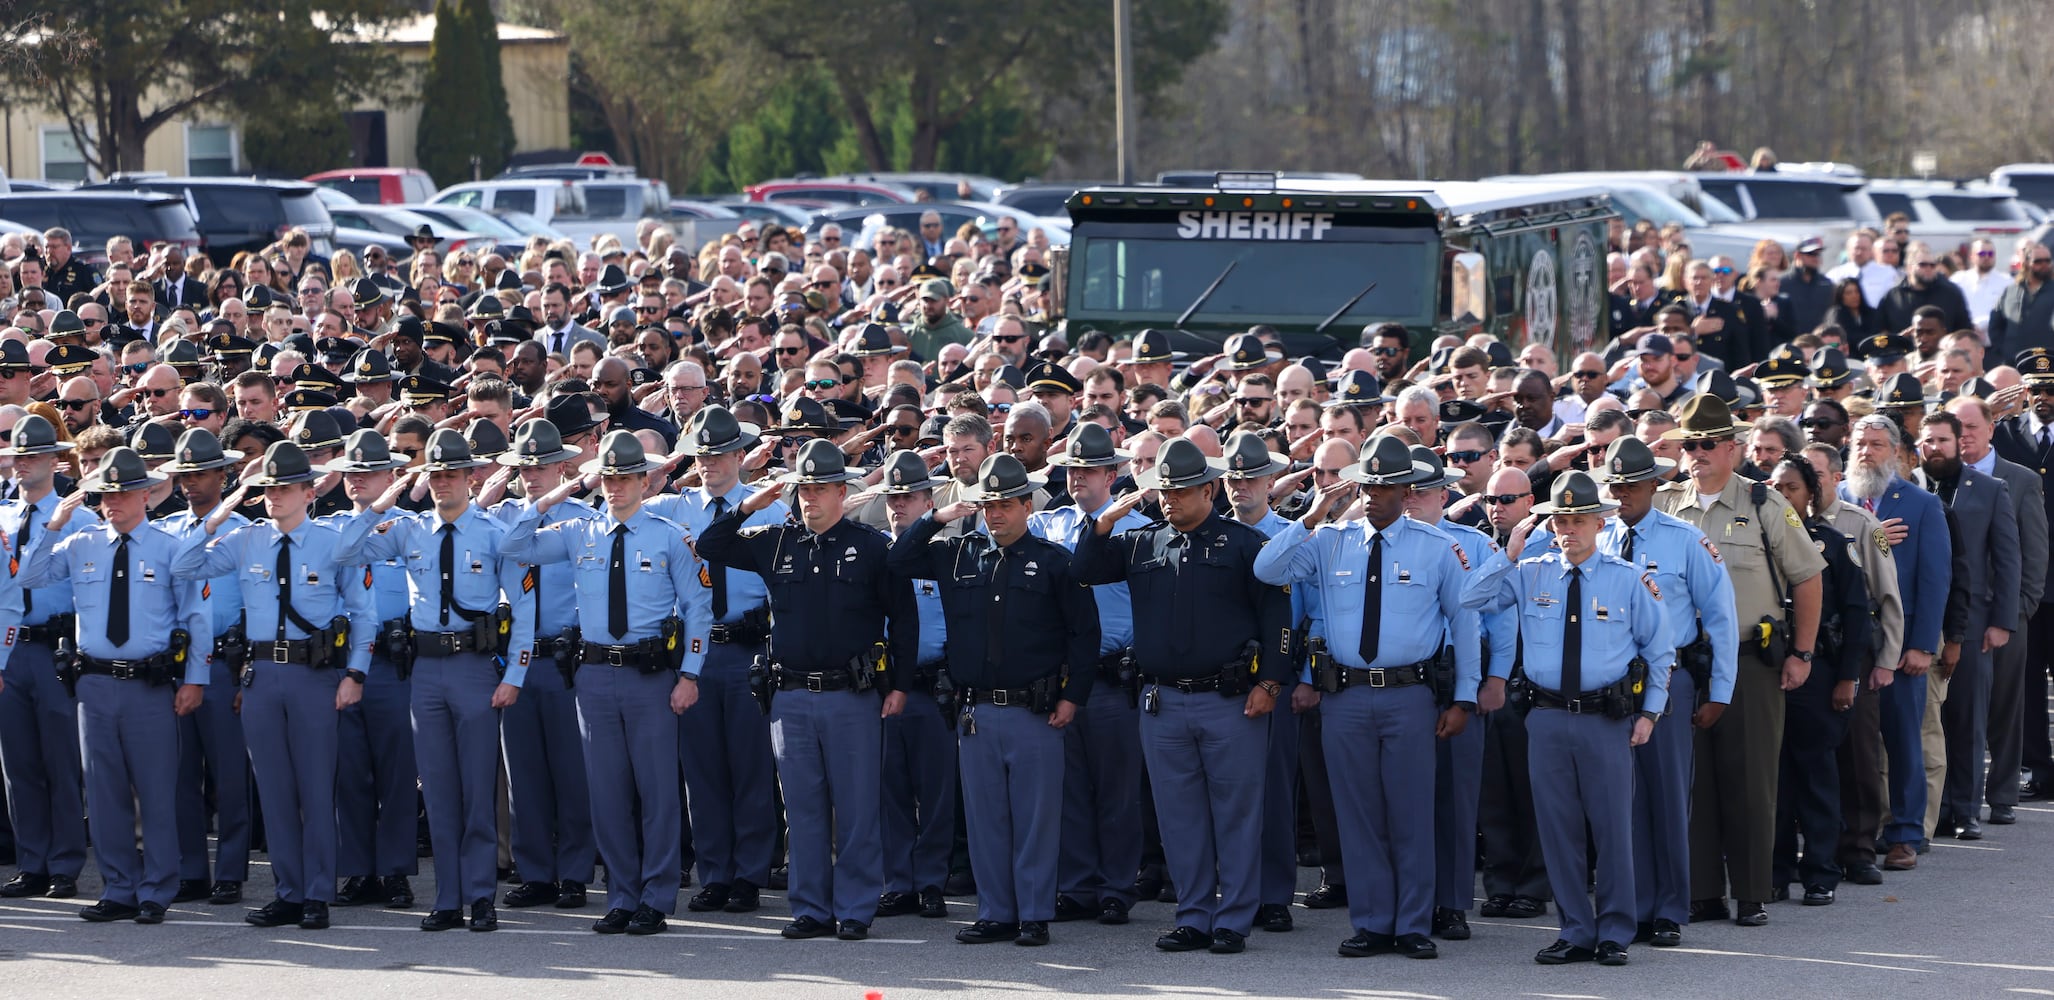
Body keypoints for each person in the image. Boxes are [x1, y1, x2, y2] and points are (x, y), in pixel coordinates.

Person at [1255, 433, 1480, 960]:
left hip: (1409, 694)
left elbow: (1465, 624)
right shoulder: (1331, 540)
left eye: (1386, 486)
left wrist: (1463, 697)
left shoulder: (1435, 549)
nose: (1375, 494)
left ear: (1407, 490)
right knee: (1357, 813)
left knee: (1410, 811)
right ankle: (1373, 921)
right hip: (1346, 697)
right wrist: (1313, 514)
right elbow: (1267, 569)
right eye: (1369, 484)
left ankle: (1413, 923)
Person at [1072, 437, 1292, 955]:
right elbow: (1083, 570)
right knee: (1179, 817)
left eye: (1183, 490)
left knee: (1236, 814)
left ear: (1210, 489)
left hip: (1230, 700)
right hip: (1163, 702)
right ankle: (1194, 915)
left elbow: (1278, 618)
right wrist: (1102, 524)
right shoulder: (1142, 542)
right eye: (1164, 491)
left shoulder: (1245, 544)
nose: (1170, 499)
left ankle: (1233, 920)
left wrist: (1271, 682)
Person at [696, 438, 916, 942]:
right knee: (804, 808)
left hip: (852, 694)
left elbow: (903, 622)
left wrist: (900, 686)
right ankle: (812, 908)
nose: (808, 498)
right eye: (802, 489)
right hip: (790, 696)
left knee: (857, 809)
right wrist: (752, 502)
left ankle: (856, 908)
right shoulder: (778, 541)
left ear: (843, 491)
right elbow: (712, 545)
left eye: (819, 489)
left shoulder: (870, 546)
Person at [501, 429, 711, 935]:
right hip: (593, 676)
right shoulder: (580, 529)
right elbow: (515, 544)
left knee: (657, 792)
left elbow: (699, 609)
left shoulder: (668, 536)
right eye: (608, 478)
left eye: (625, 478)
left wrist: (690, 674)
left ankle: (656, 897)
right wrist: (561, 491)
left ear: (644, 480)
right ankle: (620, 895)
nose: (616, 488)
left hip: (650, 677)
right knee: (607, 792)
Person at [889, 453, 1099, 947]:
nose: (996, 513)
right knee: (986, 820)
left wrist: (1073, 697)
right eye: (987, 504)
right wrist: (939, 516)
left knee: (1034, 819)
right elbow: (898, 559)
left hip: (1035, 710)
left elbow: (1084, 636)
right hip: (975, 710)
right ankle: (996, 912)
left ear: (1027, 504)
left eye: (1005, 503)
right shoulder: (958, 553)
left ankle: (1032, 914)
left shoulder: (1054, 562)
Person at [1464, 470, 1673, 967]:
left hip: (1606, 719)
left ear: (1600, 523)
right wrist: (1508, 552)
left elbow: (1660, 650)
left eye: (1579, 519)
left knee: (1612, 830)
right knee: (1558, 831)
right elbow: (1470, 599)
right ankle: (1576, 929)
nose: (1569, 530)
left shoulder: (1627, 579)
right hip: (1549, 717)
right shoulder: (1530, 570)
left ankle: (1615, 930)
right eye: (1560, 520)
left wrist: (1650, 713)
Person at [334, 428, 535, 932]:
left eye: (451, 474)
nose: (443, 483)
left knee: (475, 788)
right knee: (440, 791)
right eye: (435, 474)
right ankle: (448, 897)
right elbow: (345, 552)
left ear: (471, 476)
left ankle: (482, 895)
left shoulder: (493, 533)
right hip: (425, 672)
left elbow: (525, 607)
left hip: (473, 668)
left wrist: (515, 674)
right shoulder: (409, 529)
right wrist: (383, 502)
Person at [173, 440, 375, 930]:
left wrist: (355, 674)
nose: (275, 496)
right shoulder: (247, 540)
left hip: (314, 675)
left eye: (285, 487)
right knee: (276, 789)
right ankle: (288, 891)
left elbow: (363, 612)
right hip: (262, 675)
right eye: (268, 488)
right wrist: (221, 512)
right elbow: (183, 564)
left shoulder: (333, 541)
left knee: (314, 787)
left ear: (309, 491)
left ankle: (317, 894)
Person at [22, 447, 212, 924]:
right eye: (106, 494)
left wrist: (196, 680)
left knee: (155, 792)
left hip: (149, 684)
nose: (114, 503)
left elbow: (195, 616)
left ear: (145, 494)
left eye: (124, 493)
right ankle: (118, 887)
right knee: (103, 793)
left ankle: (156, 889)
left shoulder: (169, 546)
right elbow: (29, 574)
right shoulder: (81, 542)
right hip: (95, 683)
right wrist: (52, 527)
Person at [1656, 393, 1824, 927]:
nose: (1697, 454)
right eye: (1690, 445)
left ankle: (1751, 892)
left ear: (1732, 448)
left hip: (1752, 658)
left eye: (1708, 444)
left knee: (1751, 780)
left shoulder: (1762, 502)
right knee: (1694, 781)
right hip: (1682, 662)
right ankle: (1703, 891)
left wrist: (1802, 651)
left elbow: (1808, 576)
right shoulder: (1664, 504)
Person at [1590, 436, 1737, 948]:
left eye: (1632, 482)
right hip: (1607, 687)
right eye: (1614, 483)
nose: (1623, 492)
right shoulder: (1597, 538)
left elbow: (1720, 616)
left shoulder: (1685, 540)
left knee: (1667, 796)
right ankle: (1625, 905)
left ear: (1655, 484)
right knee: (1617, 802)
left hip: (1667, 681)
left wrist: (1720, 690)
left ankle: (1670, 907)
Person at [646, 407, 787, 915]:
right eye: (701, 455)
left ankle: (750, 874)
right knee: (701, 769)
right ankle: (715, 873)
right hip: (695, 653)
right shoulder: (674, 509)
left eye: (718, 454)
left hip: (749, 649)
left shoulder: (770, 510)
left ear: (738, 456)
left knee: (750, 767)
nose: (709, 463)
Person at [1029, 423, 1149, 927]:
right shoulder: (1048, 524)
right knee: (1069, 787)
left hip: (1112, 673)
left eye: (1090, 469)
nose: (1079, 477)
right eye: (1073, 468)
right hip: (1062, 677)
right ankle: (1076, 885)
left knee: (1117, 789)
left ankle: (1117, 887)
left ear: (1112, 473)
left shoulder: (1138, 527)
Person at [484, 419, 598, 912]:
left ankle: (574, 873)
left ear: (563, 466)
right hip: (514, 660)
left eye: (543, 465)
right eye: (525, 466)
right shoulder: (503, 517)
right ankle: (535, 873)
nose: (533, 474)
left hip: (561, 657)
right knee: (523, 773)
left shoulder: (582, 517)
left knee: (572, 772)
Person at [1840, 414, 1950, 871]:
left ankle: (1906, 834)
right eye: (1860, 444)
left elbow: (1935, 578)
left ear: (1898, 452)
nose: (1867, 451)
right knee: (1853, 745)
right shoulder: (1837, 499)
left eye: (1877, 445)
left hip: (1901, 644)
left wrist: (1924, 645)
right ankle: (1856, 832)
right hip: (1846, 645)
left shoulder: (1921, 504)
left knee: (1904, 740)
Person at [1764, 456, 1871, 906]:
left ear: (1811, 495)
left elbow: (1856, 616)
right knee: (1775, 780)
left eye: (1791, 487)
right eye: (1775, 487)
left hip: (1820, 672)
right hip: (1767, 670)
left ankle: (1820, 871)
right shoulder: (1758, 541)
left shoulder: (1831, 543)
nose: (1782, 494)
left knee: (1816, 777)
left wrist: (1848, 678)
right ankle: (1776, 870)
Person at [321, 430, 421, 910]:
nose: (359, 482)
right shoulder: (335, 527)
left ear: (392, 477)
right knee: (350, 771)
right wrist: (370, 514)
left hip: (394, 660)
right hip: (344, 663)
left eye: (370, 474)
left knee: (397, 772)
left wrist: (383, 512)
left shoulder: (411, 527)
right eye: (352, 473)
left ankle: (396, 870)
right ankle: (358, 869)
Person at [156, 428, 255, 909]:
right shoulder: (168, 529)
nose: (191, 483)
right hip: (174, 665)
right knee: (178, 775)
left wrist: (248, 669)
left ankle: (231, 871)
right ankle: (190, 869)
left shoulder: (246, 530)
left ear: (223, 473)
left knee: (230, 774)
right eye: (184, 475)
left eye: (200, 474)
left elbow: (257, 606)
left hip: (223, 662)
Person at [1909, 411, 2019, 842]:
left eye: (1943, 440)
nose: (1935, 447)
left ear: (1960, 443)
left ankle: (1966, 809)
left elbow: (2008, 560)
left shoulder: (1990, 490)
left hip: (1974, 625)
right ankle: (1925, 810)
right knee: (1922, 723)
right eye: (1928, 440)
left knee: (1967, 720)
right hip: (1918, 624)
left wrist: (2002, 623)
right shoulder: (1906, 488)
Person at [0, 416, 93, 903]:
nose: (21, 463)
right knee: (18, 764)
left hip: (57, 649)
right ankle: (31, 862)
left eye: (31, 454)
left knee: (60, 762)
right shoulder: (3, 516)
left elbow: (90, 592)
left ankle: (64, 864)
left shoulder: (79, 516)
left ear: (56, 461)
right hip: (11, 651)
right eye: (16, 454)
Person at [863, 449, 956, 921]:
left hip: (930, 685)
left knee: (936, 791)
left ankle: (931, 882)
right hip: (881, 688)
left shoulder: (944, 552)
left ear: (929, 499)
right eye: (892, 497)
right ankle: (898, 881)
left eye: (909, 497)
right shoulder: (875, 550)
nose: (898, 505)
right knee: (889, 790)